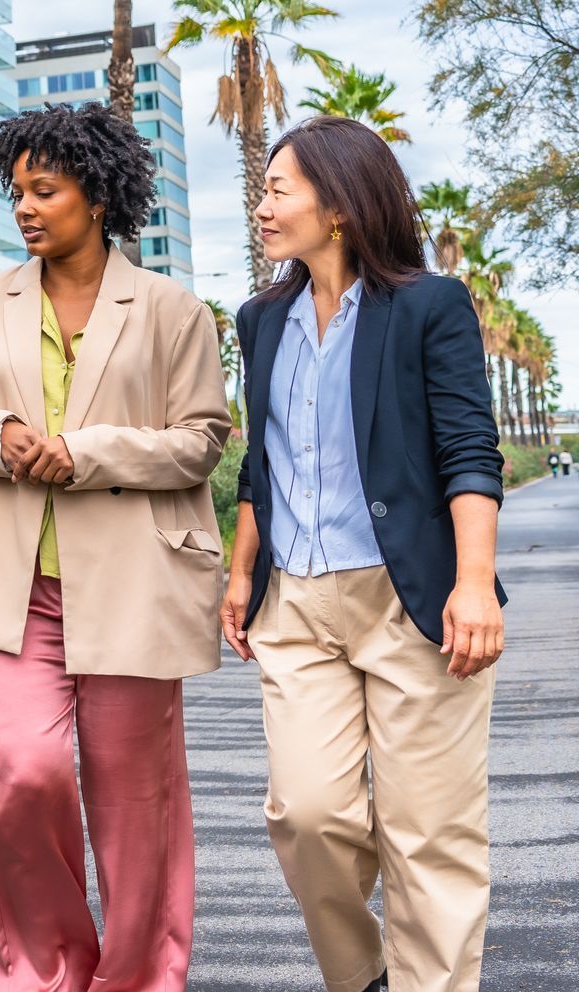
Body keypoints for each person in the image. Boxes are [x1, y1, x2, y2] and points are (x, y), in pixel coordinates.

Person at [0, 103, 230, 991]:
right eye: (17, 191)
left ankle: (141, 977)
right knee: (24, 774)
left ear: (97, 196)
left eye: (47, 189)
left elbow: (202, 438)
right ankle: (45, 970)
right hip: (20, 583)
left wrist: (87, 450)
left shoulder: (172, 309)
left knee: (134, 805)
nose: (25, 207)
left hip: (135, 583)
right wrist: (2, 436)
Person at [223, 116, 506, 992]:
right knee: (307, 814)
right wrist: (240, 575)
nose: (261, 205)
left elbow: (469, 450)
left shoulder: (429, 305)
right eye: (264, 189)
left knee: (431, 836)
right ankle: (361, 977)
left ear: (338, 205)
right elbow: (261, 459)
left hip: (410, 597)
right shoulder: (261, 318)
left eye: (279, 189)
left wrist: (472, 585)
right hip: (296, 603)